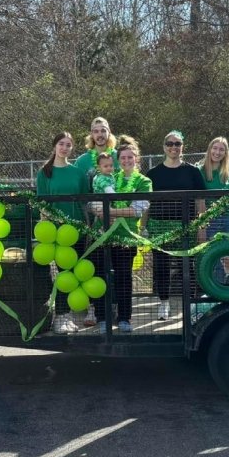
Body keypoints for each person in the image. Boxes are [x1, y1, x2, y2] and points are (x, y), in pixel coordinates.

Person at [87, 136, 151, 333]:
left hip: (126, 237)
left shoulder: (143, 181)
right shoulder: (110, 177)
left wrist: (108, 212)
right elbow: (93, 202)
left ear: (136, 159)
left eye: (130, 158)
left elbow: (137, 210)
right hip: (102, 236)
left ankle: (124, 318)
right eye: (122, 158)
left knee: (124, 277)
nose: (126, 161)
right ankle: (102, 317)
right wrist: (100, 211)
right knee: (100, 276)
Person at [145, 131, 205, 319]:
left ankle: (192, 307)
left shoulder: (193, 172)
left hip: (185, 226)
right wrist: (143, 227)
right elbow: (146, 203)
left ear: (182, 147)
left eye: (177, 144)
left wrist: (202, 226)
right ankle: (164, 303)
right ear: (164, 147)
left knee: (188, 266)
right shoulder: (153, 174)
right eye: (169, 144)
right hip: (159, 227)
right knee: (161, 266)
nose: (173, 147)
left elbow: (200, 200)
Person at [36, 131, 90, 334]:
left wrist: (88, 226)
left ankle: (72, 317)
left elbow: (85, 201)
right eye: (61, 144)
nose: (64, 148)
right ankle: (61, 316)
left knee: (76, 273)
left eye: (68, 145)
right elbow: (41, 202)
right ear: (54, 146)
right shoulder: (44, 172)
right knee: (62, 274)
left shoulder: (78, 173)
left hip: (77, 231)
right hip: (57, 236)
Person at [201, 136, 229, 281]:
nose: (217, 152)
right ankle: (216, 290)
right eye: (215, 148)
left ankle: (227, 287)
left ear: (226, 153)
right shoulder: (201, 170)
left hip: (228, 219)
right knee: (214, 255)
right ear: (210, 149)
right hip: (210, 220)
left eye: (221, 150)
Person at [74, 116, 118, 181]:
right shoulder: (82, 161)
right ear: (91, 134)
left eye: (103, 131)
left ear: (109, 133)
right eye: (96, 131)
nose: (100, 134)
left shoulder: (119, 157)